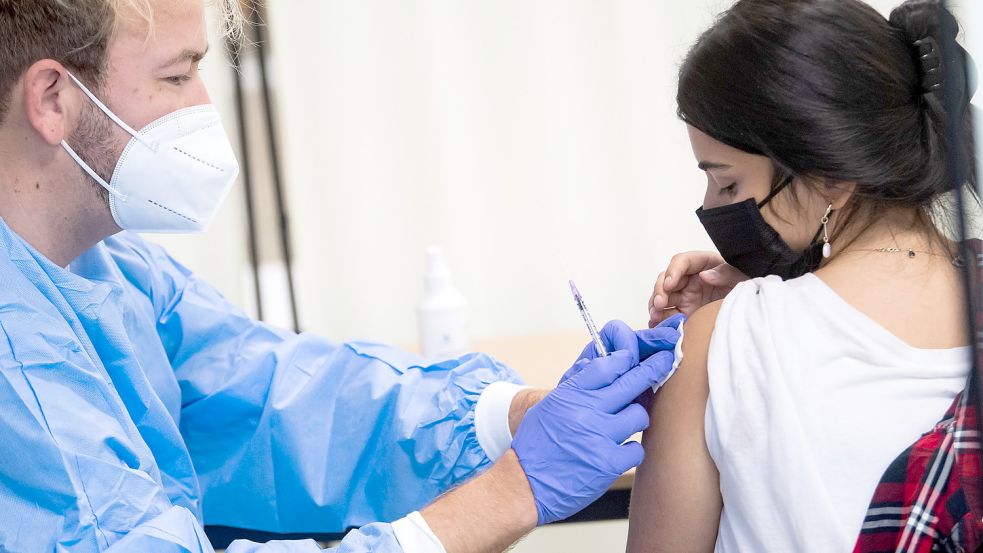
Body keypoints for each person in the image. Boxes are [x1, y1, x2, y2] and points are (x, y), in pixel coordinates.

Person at [0, 1, 684, 551]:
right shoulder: (14, 360)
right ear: (53, 98)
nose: (204, 106)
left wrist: (504, 416)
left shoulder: (108, 269)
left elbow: (273, 398)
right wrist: (512, 490)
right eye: (178, 76)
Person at [625, 0, 977, 551]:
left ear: (831, 175)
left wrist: (718, 328)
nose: (711, 205)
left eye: (728, 184)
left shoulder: (722, 342)